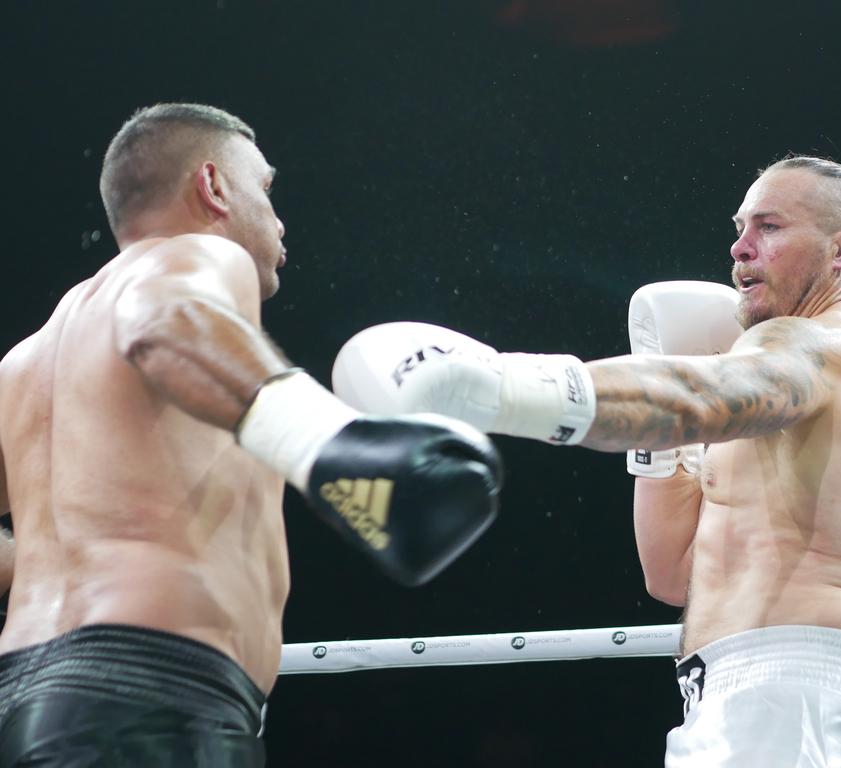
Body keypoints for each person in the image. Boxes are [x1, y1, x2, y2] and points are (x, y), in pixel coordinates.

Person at [332, 155, 841, 767]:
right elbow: (674, 574)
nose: (740, 247)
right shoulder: (792, 388)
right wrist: (665, 442)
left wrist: (497, 386)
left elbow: (697, 395)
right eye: (739, 228)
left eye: (770, 226)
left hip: (795, 692)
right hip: (736, 691)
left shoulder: (832, 347)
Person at [0, 103, 502, 767]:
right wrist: (333, 445)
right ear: (213, 186)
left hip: (31, 700)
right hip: (151, 694)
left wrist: (48, 559)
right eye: (265, 191)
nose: (280, 220)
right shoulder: (193, 257)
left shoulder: (26, 362)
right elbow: (165, 319)